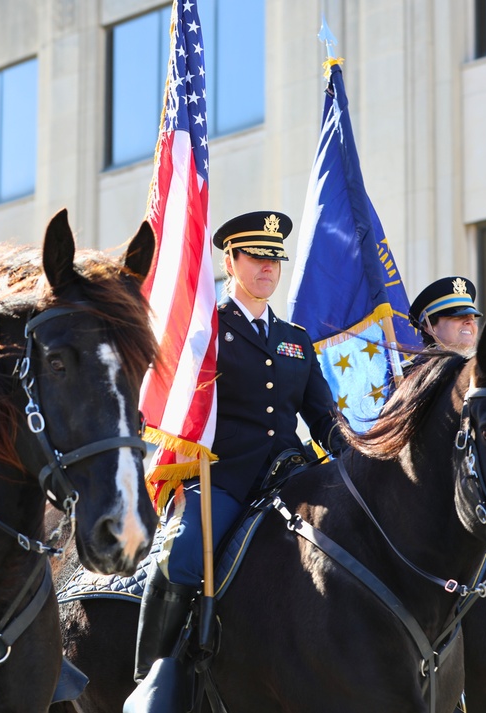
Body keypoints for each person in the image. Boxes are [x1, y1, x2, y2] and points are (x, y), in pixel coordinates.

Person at [130, 211, 347, 691]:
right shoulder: (202, 331)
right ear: (230, 261)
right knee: (181, 557)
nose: (268, 268)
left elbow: (322, 418)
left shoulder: (296, 341)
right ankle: (152, 681)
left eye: (275, 259)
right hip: (223, 475)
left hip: (290, 474)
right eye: (257, 257)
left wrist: (356, 455)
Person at [408, 276, 482, 352]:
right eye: (458, 316)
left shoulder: (485, 363)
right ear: (429, 326)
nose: (470, 322)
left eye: (472, 318)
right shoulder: (420, 364)